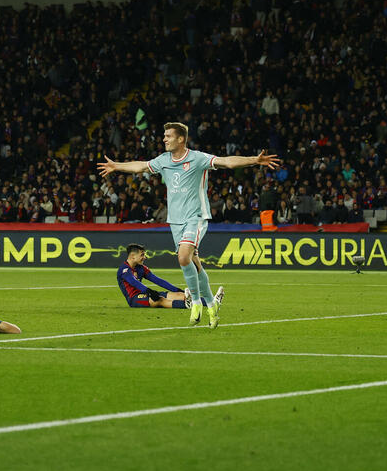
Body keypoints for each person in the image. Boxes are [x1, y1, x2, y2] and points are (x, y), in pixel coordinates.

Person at [98, 121, 280, 327]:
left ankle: (196, 303)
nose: (164, 139)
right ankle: (211, 304)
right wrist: (116, 166)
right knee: (194, 263)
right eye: (164, 136)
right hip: (175, 221)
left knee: (183, 257)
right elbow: (140, 166)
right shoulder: (163, 160)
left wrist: (254, 160)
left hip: (196, 217)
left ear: (181, 139)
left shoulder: (197, 158)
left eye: (168, 136)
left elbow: (227, 162)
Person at [118, 243, 223, 310]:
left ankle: (213, 302)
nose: (145, 257)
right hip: (134, 299)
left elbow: (158, 280)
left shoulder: (141, 268)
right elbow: (134, 282)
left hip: (145, 293)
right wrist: (149, 292)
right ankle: (187, 305)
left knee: (179, 295)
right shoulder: (124, 270)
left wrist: (177, 290)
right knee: (160, 300)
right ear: (133, 256)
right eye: (142, 255)